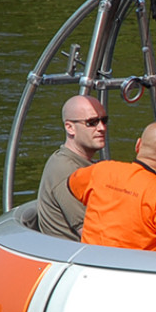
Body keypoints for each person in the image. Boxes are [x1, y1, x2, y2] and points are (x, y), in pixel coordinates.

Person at [68, 121, 156, 254]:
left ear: (138, 145)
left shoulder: (101, 170)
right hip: (132, 271)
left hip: (90, 264)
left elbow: (71, 185)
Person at [37, 95, 109, 240]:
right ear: (70, 128)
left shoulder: (87, 165)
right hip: (77, 257)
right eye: (92, 122)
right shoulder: (65, 170)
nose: (101, 128)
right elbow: (92, 235)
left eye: (104, 120)